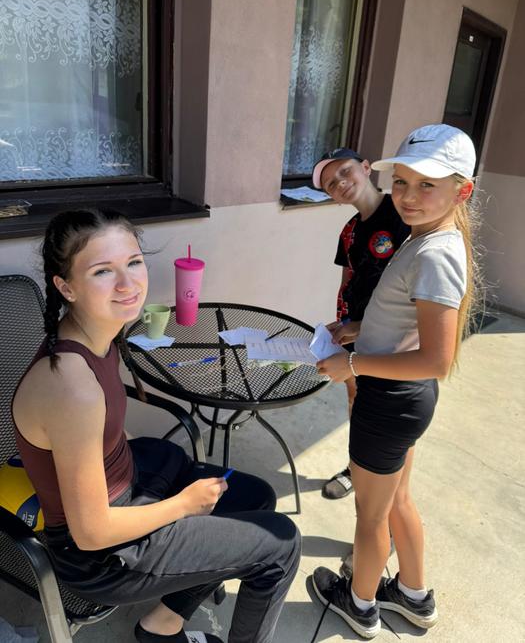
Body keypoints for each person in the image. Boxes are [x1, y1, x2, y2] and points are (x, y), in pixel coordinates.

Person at [11, 209, 301, 643]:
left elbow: (99, 436)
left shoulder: (101, 335)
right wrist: (182, 505)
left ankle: (161, 625)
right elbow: (91, 533)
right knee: (280, 544)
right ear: (66, 287)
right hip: (102, 555)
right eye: (102, 271)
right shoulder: (72, 387)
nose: (127, 284)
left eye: (133, 262)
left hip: (132, 484)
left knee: (254, 496)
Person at [311, 124, 478, 638]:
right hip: (400, 400)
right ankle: (413, 595)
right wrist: (362, 327)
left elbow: (436, 360)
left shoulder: (434, 252)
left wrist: (354, 365)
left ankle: (360, 604)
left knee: (370, 514)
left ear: (462, 191)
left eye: (427, 184)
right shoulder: (423, 237)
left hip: (389, 400)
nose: (408, 196)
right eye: (402, 181)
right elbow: (406, 318)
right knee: (398, 500)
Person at [312, 148, 409, 500]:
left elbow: (413, 292)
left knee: (391, 417)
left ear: (366, 168)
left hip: (395, 339)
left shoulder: (402, 214)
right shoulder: (350, 231)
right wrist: (341, 325)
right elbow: (348, 282)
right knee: (357, 399)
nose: (339, 183)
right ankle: (357, 467)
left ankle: (387, 487)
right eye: (330, 184)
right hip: (355, 333)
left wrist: (365, 325)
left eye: (344, 171)